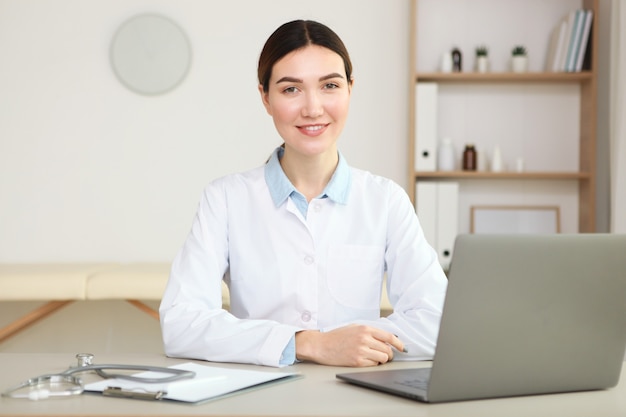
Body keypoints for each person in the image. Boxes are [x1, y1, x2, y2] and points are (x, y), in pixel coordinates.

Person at [159, 19, 447, 368]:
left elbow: (437, 321)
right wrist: (310, 344)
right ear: (265, 97)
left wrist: (355, 342)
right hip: (258, 394)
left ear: (350, 89)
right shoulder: (225, 199)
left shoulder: (385, 200)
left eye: (329, 85)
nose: (312, 108)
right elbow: (181, 323)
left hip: (357, 394)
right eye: (291, 89)